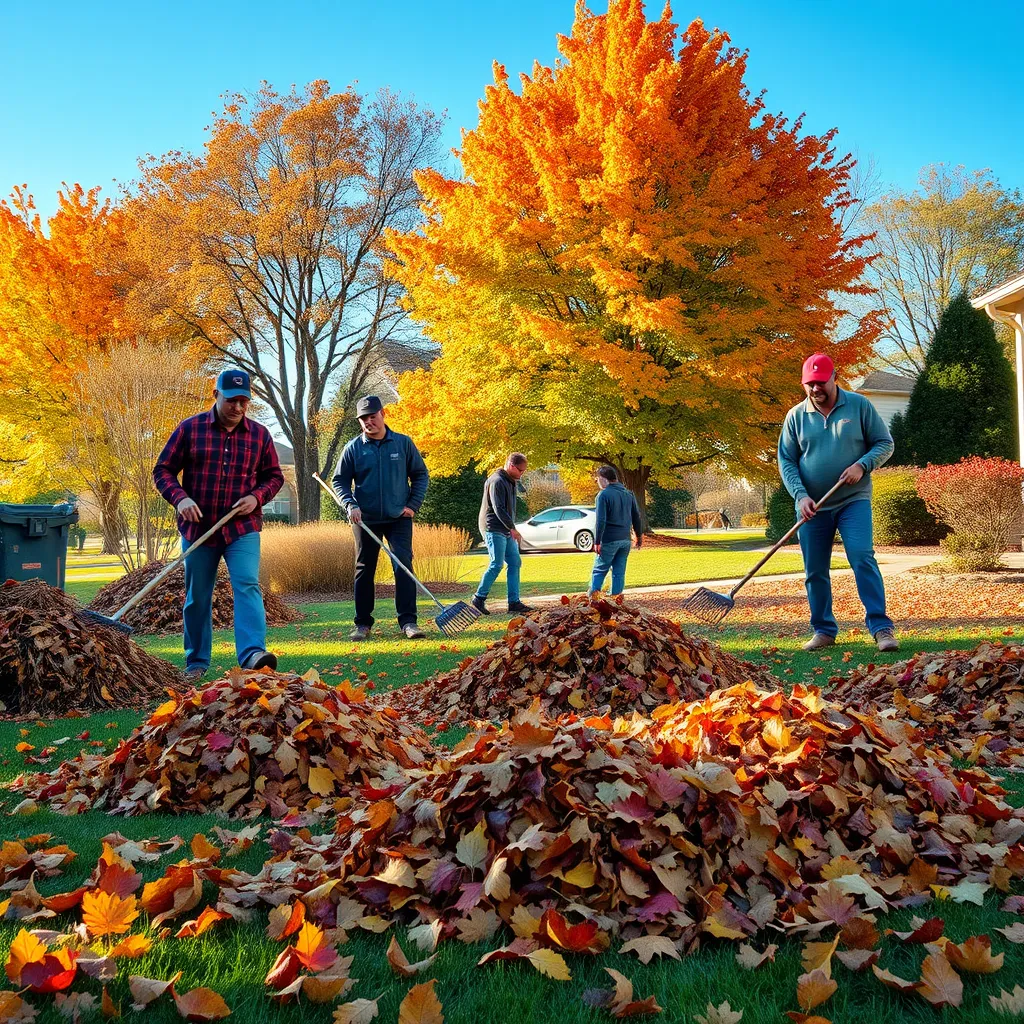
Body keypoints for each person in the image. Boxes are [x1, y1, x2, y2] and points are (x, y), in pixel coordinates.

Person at [154, 368, 285, 681]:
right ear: (216, 395)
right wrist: (181, 499)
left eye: (244, 401)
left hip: (242, 529)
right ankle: (196, 661)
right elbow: (163, 471)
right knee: (198, 594)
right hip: (199, 529)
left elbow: (274, 477)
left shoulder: (259, 435)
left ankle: (253, 654)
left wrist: (257, 497)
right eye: (231, 400)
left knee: (247, 583)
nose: (238, 408)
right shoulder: (190, 429)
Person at [778, 352, 898, 653]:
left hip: (852, 500)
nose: (816, 389)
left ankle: (881, 627)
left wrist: (863, 465)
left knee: (861, 557)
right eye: (809, 384)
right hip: (812, 507)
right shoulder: (795, 416)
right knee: (815, 570)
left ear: (835, 377)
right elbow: (787, 461)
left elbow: (885, 443)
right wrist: (800, 495)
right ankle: (823, 630)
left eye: (821, 382)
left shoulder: (859, 406)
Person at [332, 395, 429, 640]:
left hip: (399, 518)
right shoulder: (353, 448)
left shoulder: (403, 444)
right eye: (363, 419)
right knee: (364, 569)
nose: (368, 422)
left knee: (403, 566)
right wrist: (350, 503)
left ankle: (409, 622)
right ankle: (363, 624)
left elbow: (420, 475)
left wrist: (412, 505)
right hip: (365, 519)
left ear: (382, 414)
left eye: (372, 417)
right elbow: (339, 481)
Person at [472, 453, 534, 616]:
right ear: (511, 466)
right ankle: (478, 598)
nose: (522, 474)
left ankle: (514, 602)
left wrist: (509, 528)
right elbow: (498, 508)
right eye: (520, 470)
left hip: (505, 529)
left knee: (515, 562)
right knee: (497, 564)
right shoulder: (497, 481)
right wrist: (512, 528)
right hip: (493, 527)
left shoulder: (511, 481)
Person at [588, 465, 643, 597]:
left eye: (598, 478)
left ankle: (593, 600)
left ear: (604, 479)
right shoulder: (629, 494)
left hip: (609, 539)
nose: (597, 482)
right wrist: (639, 536)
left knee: (599, 570)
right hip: (625, 540)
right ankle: (616, 601)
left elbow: (601, 520)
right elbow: (636, 516)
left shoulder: (603, 495)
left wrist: (597, 541)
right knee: (619, 572)